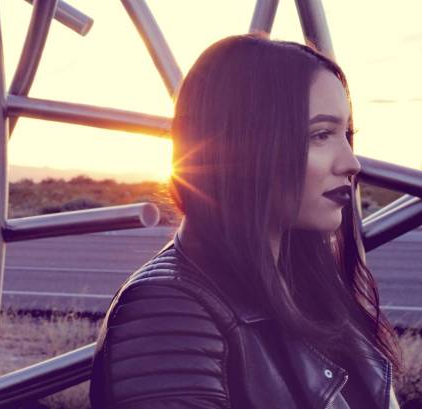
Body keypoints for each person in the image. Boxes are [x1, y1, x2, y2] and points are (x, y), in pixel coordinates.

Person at [90, 35, 402, 409]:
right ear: (243, 146)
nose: (351, 163)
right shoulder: (167, 311)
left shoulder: (307, 286)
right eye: (321, 135)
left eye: (346, 135)